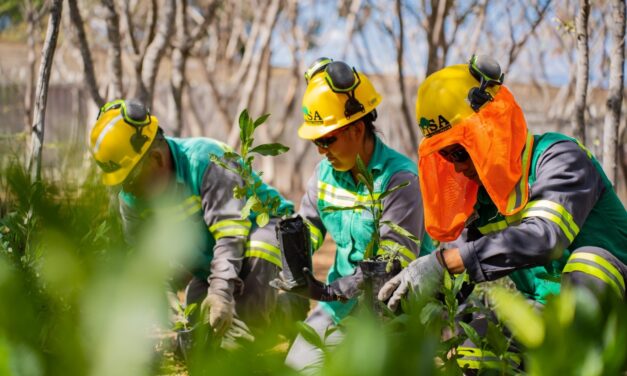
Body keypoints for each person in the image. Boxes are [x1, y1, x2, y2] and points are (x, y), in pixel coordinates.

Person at [378, 55, 627, 370]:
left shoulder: (558, 157)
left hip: (615, 312)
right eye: (445, 154)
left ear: (491, 126)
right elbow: (456, 269)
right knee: (476, 333)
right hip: (544, 314)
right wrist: (407, 299)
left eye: (459, 150)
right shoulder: (485, 198)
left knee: (591, 261)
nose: (456, 166)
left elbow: (544, 237)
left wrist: (443, 263)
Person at [272, 58, 432, 372]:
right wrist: (293, 264)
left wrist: (340, 287)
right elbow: (312, 226)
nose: (321, 150)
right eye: (316, 141)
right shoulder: (324, 175)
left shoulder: (399, 179)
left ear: (357, 128)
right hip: (337, 309)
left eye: (327, 139)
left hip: (395, 308)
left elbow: (394, 260)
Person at [88, 99, 295, 339]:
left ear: (155, 159)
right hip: (214, 258)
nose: (127, 190)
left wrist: (220, 293)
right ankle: (257, 315)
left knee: (242, 322)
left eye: (130, 180)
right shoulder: (132, 198)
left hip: (271, 238)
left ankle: (287, 307)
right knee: (199, 326)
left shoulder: (207, 160)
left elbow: (230, 235)